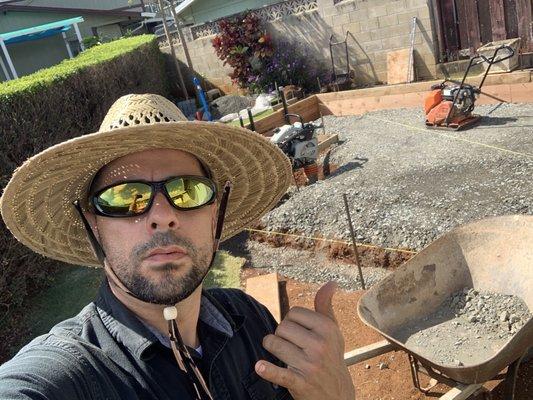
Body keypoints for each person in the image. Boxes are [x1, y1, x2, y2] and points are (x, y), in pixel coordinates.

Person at [0, 94, 355, 399]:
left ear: (215, 215)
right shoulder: (69, 375)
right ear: (95, 225)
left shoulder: (250, 320)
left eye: (188, 190)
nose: (163, 215)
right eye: (126, 197)